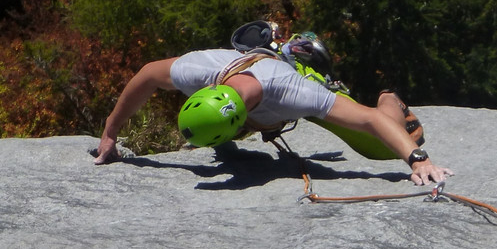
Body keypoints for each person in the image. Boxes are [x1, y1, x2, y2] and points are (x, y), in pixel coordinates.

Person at [92, 48, 453, 186]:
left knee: (378, 146)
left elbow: (371, 122)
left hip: (288, 84)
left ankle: (390, 97)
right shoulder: (197, 71)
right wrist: (110, 134)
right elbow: (147, 74)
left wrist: (419, 161)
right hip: (250, 65)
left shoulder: (299, 97)